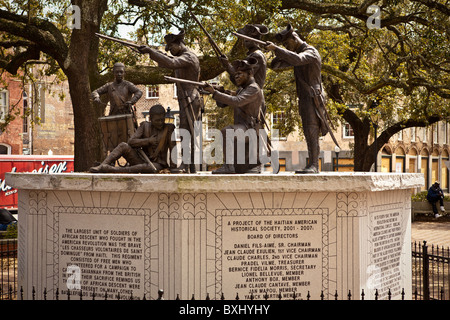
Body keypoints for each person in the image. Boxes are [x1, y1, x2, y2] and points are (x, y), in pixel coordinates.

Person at [265, 24, 330, 174]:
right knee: (308, 131)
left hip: (313, 97)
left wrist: (277, 49)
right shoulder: (296, 54)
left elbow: (298, 59)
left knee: (312, 131)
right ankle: (312, 164)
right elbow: (276, 66)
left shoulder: (310, 52)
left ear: (294, 38)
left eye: (287, 44)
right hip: (305, 98)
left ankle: (314, 165)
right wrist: (276, 53)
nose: (287, 47)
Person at [138, 30, 203, 173]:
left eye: (172, 47)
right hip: (184, 99)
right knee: (184, 131)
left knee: (187, 132)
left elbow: (172, 63)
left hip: (190, 99)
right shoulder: (181, 56)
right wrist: (154, 53)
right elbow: (165, 63)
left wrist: (150, 51)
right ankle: (187, 165)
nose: (171, 51)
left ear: (179, 43)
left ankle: (187, 165)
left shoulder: (189, 57)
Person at [203, 58, 264, 174]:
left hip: (250, 129)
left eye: (239, 74)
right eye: (235, 74)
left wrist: (215, 93)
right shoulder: (242, 89)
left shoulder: (254, 88)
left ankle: (228, 167)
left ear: (250, 73)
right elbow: (222, 104)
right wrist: (221, 92)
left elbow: (237, 101)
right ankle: (233, 166)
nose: (236, 77)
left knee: (228, 132)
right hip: (243, 127)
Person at [89, 104, 176, 173]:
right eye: (157, 120)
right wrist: (148, 141)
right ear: (150, 119)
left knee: (146, 167)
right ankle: (102, 166)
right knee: (123, 145)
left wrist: (173, 168)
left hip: (157, 165)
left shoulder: (169, 129)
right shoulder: (144, 126)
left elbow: (173, 149)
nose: (161, 122)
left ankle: (112, 169)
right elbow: (131, 142)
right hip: (141, 160)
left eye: (162, 119)